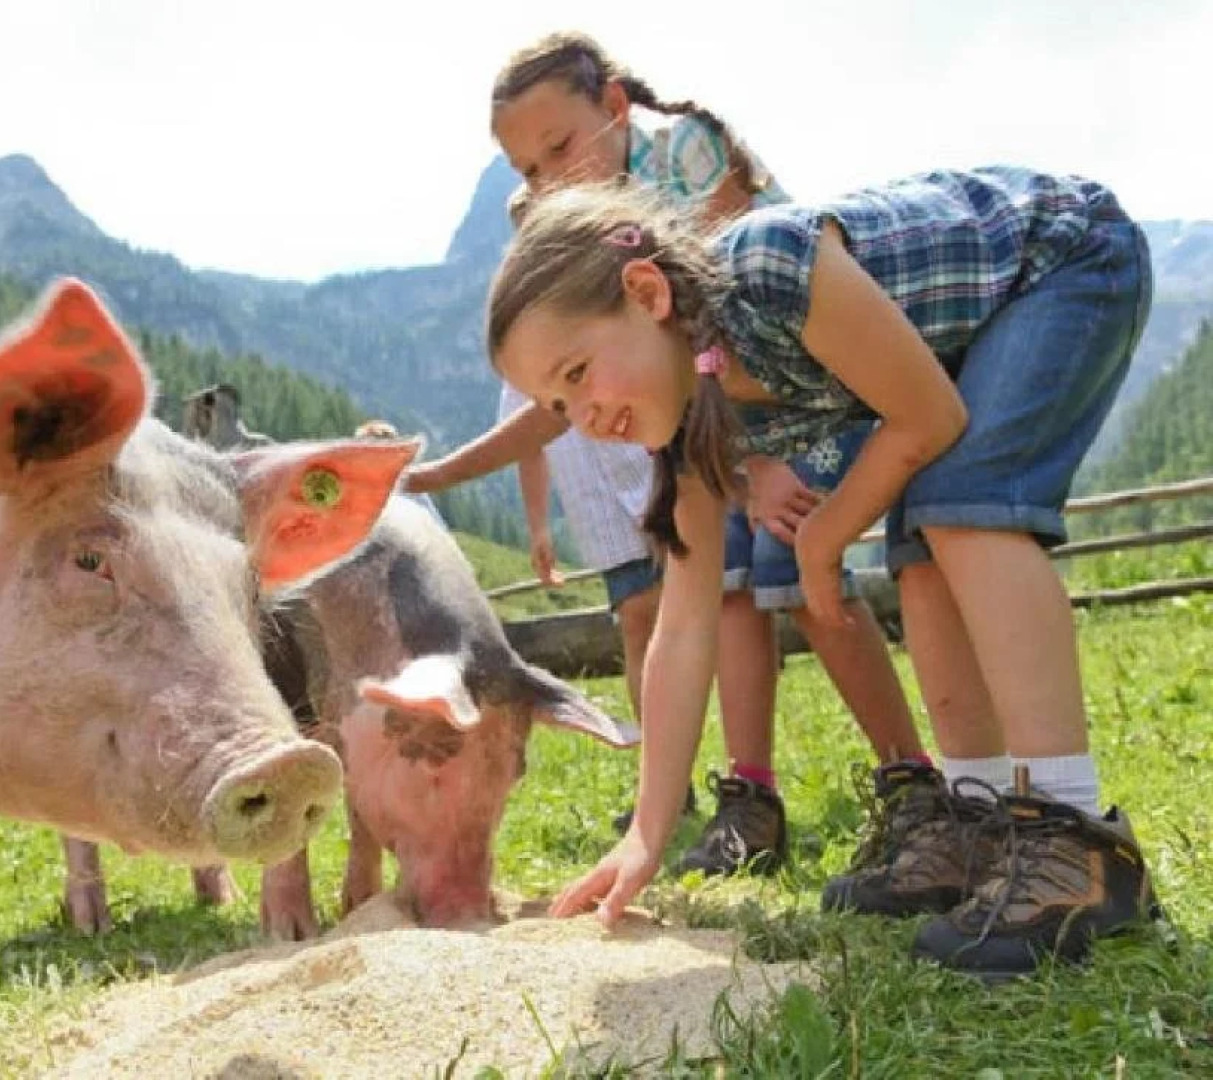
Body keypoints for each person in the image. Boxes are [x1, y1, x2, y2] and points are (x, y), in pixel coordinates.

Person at [490, 165, 1156, 979]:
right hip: (968, 342)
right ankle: (979, 824)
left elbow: (930, 416)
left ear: (646, 293)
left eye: (576, 374)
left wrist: (821, 540)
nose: (583, 418)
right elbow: (684, 622)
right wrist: (646, 831)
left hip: (1063, 256)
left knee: (962, 507)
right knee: (920, 557)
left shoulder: (769, 271)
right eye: (558, 409)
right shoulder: (694, 425)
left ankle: (1073, 843)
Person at [409, 31, 929, 876]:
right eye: (529, 171)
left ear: (614, 107)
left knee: (797, 565)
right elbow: (555, 406)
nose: (551, 180)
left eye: (560, 148)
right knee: (716, 586)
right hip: (701, 425)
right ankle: (749, 794)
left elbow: (728, 308)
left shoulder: (685, 151)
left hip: (796, 386)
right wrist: (438, 472)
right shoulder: (567, 235)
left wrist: (758, 465)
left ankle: (909, 777)